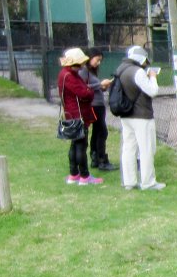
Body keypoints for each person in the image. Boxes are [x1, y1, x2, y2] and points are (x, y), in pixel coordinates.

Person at [113, 45, 164, 191]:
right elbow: (152, 91)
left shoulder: (121, 69)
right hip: (141, 115)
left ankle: (129, 181)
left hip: (126, 114)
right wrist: (153, 78)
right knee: (146, 148)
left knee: (129, 147)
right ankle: (148, 182)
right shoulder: (137, 72)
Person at [57, 47, 103, 185]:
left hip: (70, 114)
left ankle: (74, 174)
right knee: (81, 145)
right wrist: (90, 90)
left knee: (74, 144)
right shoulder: (71, 76)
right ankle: (84, 176)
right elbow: (85, 93)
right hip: (78, 115)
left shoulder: (64, 74)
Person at [78, 48, 116, 171]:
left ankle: (95, 158)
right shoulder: (84, 70)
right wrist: (99, 84)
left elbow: (93, 87)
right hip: (93, 105)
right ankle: (101, 159)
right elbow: (82, 87)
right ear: (90, 57)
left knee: (97, 132)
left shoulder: (92, 72)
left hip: (99, 104)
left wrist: (103, 87)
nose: (98, 63)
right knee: (102, 131)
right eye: (97, 60)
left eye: (100, 61)